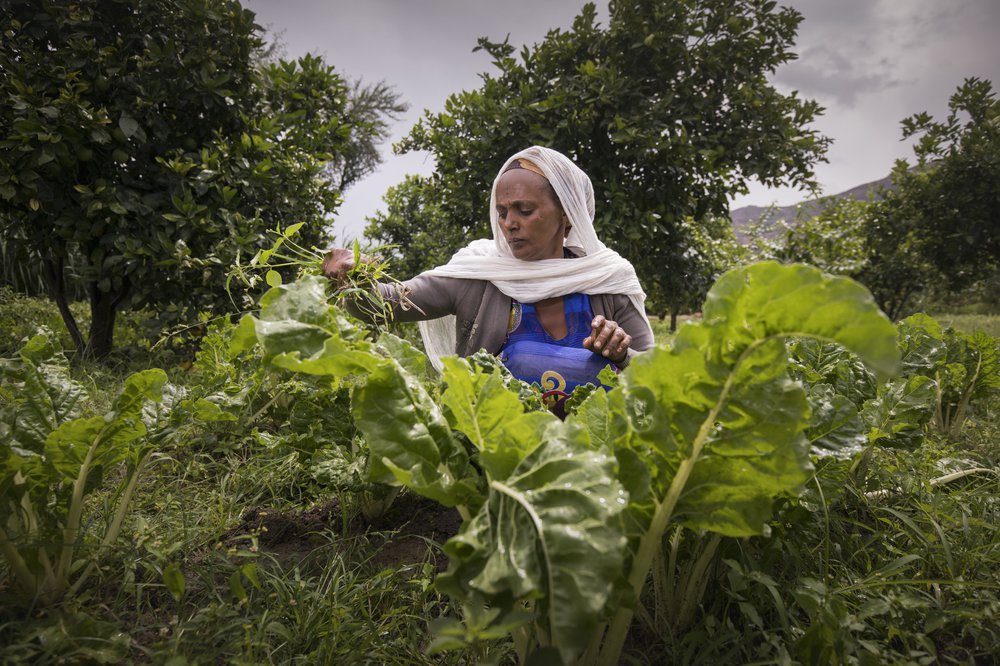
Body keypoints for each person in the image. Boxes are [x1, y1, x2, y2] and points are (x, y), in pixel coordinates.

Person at [324, 145, 653, 413]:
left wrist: (622, 355)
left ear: (566, 214)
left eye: (524, 211)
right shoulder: (480, 274)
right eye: (502, 211)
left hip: (598, 457)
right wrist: (354, 276)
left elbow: (655, 376)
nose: (509, 223)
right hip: (498, 459)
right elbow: (386, 303)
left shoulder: (606, 278)